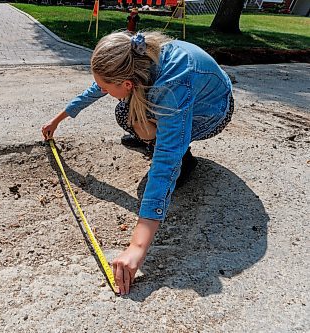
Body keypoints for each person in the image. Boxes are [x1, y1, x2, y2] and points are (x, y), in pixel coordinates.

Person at [41, 31, 233, 295]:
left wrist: (137, 248)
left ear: (128, 83)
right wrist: (58, 119)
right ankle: (152, 135)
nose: (105, 92)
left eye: (109, 89)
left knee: (159, 140)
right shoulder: (132, 61)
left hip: (213, 111)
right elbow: (96, 89)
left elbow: (165, 163)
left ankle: (184, 159)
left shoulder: (171, 89)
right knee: (125, 111)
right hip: (183, 95)